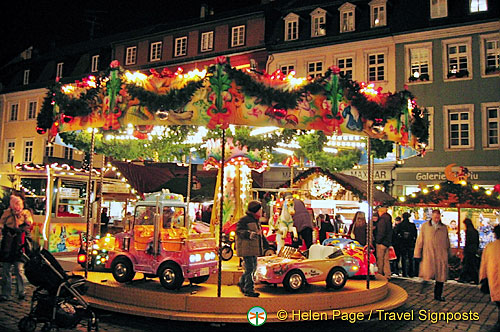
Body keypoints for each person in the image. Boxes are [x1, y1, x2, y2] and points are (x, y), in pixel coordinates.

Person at [0, 191, 33, 301]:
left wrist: (25, 219)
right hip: (8, 243)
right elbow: (1, 223)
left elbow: (30, 222)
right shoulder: (7, 213)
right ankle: (6, 293)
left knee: (19, 269)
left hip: (19, 243)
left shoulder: (25, 212)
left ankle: (21, 291)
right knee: (6, 270)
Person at [414, 209, 451, 301]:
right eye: (435, 217)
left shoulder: (443, 228)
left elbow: (447, 242)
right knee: (427, 274)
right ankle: (422, 290)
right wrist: (417, 253)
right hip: (428, 254)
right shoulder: (425, 226)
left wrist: (449, 254)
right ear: (432, 216)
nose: (436, 219)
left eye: (438, 217)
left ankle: (438, 295)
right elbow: (420, 241)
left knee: (440, 277)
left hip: (441, 255)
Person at [236, 200, 263, 297]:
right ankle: (249, 289)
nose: (261, 211)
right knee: (250, 268)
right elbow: (239, 231)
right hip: (246, 248)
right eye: (260, 210)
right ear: (255, 211)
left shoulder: (256, 220)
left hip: (252, 248)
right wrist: (250, 234)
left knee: (252, 268)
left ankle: (242, 282)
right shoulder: (245, 220)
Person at [479, 225, 500, 330]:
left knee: (498, 299)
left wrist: (482, 277)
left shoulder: (490, 247)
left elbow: (484, 264)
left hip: (494, 278)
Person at [394, 212, 417, 277]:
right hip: (410, 243)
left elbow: (395, 234)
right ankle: (411, 272)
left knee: (403, 258)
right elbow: (415, 235)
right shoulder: (412, 225)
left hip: (402, 243)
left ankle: (404, 272)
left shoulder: (400, 225)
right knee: (410, 258)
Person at [459, 218, 479, 284]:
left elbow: (468, 242)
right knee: (470, 264)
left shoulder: (468, 231)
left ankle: (467, 278)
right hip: (473, 250)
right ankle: (467, 278)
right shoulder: (475, 231)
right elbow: (477, 241)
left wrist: (465, 249)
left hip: (469, 250)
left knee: (468, 264)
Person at [375, 206, 393, 278]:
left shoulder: (382, 220)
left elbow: (381, 232)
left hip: (382, 243)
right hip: (387, 242)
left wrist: (377, 241)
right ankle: (387, 274)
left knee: (380, 259)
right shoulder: (388, 219)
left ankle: (380, 274)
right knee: (386, 260)